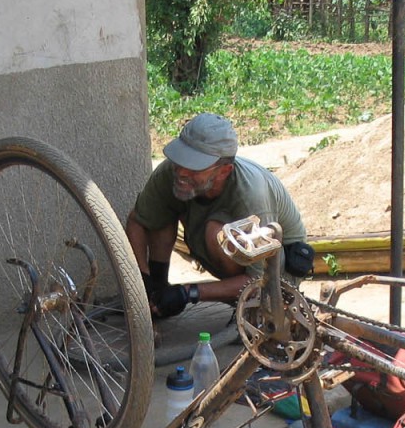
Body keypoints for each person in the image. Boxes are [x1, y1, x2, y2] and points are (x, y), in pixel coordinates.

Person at [125, 112, 312, 319]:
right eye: (181, 160)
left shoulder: (251, 195)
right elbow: (138, 221)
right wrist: (144, 281)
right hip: (220, 252)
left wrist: (188, 293)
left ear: (224, 171)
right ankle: (157, 296)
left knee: (216, 232)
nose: (182, 172)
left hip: (276, 272)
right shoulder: (171, 173)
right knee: (158, 213)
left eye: (194, 167)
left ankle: (249, 306)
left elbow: (260, 279)